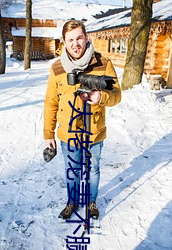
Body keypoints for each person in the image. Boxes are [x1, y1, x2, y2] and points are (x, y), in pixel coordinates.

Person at [43, 20, 121, 220]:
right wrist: (48, 134)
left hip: (94, 131)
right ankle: (72, 201)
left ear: (86, 38)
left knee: (93, 168)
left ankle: (92, 201)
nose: (75, 43)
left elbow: (117, 95)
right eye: (70, 40)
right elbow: (51, 102)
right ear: (64, 42)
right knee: (72, 170)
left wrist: (101, 97)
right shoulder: (57, 68)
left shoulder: (103, 64)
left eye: (79, 38)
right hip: (68, 133)